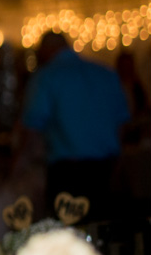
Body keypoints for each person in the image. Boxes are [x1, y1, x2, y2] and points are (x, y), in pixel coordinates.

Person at [20, 31, 129, 225]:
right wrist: (119, 163)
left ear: (45, 51)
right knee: (106, 230)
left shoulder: (47, 76)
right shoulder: (105, 73)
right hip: (106, 169)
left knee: (70, 237)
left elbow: (32, 128)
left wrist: (20, 164)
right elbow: (122, 124)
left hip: (68, 173)